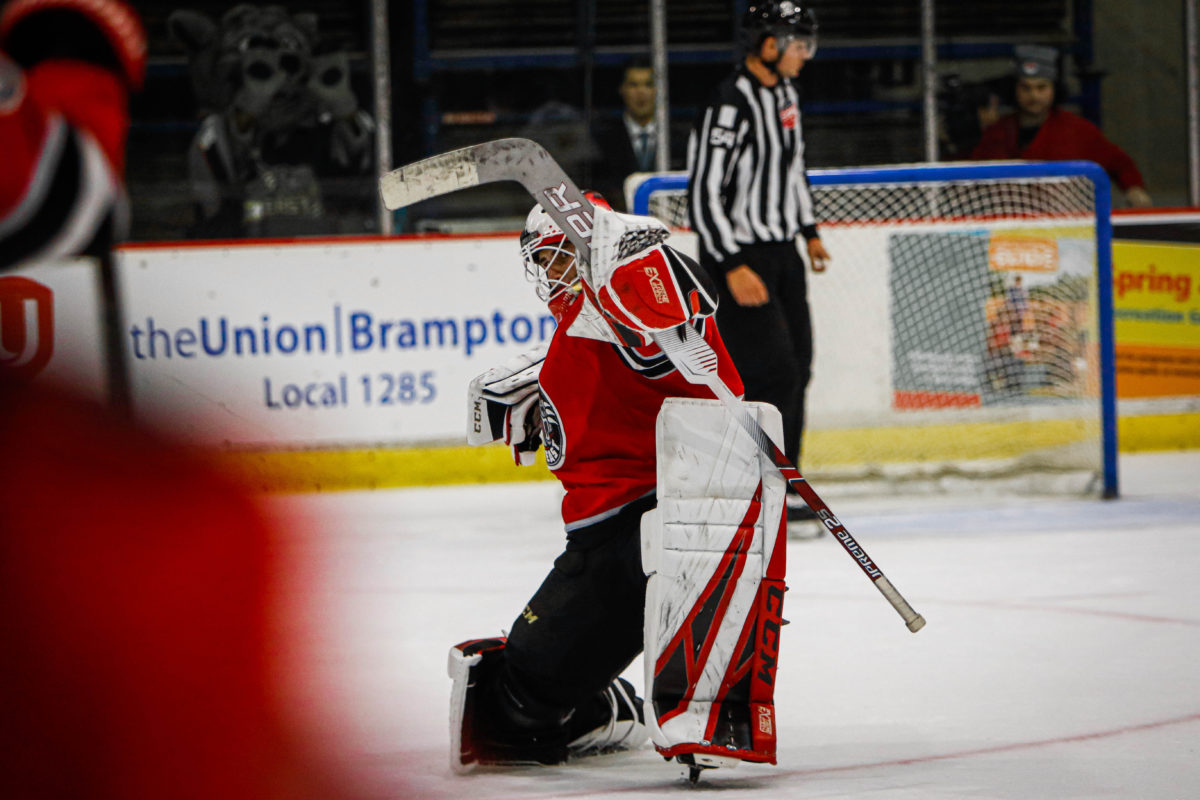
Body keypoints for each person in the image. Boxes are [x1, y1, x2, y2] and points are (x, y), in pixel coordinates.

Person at [450, 194, 789, 776]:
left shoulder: (629, 295)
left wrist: (632, 262)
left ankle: (681, 709)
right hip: (596, 541)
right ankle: (607, 706)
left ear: (590, 250)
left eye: (560, 259)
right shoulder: (581, 327)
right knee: (505, 704)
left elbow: (675, 321)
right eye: (544, 264)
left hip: (653, 525)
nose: (551, 278)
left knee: (512, 707)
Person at [687, 1, 830, 521]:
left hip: (783, 252)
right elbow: (703, 192)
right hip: (740, 256)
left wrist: (809, 230)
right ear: (769, 45)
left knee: (801, 366)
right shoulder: (729, 103)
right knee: (772, 371)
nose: (806, 56)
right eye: (800, 45)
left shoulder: (787, 94)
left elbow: (795, 168)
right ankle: (756, 483)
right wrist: (729, 264)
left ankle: (787, 482)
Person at [971, 44, 1153, 208]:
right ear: (1015, 90)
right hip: (1007, 227)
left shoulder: (1078, 130)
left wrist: (1134, 189)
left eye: (1041, 87)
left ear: (1054, 89)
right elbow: (968, 175)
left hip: (1064, 226)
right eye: (1025, 88)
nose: (1033, 95)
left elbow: (1120, 163)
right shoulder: (997, 132)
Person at [591, 56, 684, 211]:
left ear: (659, 90)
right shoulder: (602, 140)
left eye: (648, 84)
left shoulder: (679, 139)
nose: (641, 92)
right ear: (622, 89)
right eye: (633, 85)